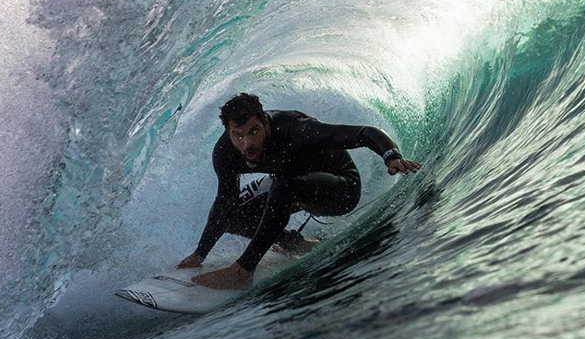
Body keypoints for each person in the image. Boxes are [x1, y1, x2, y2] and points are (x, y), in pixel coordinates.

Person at [178, 93, 421, 290]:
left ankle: (243, 271)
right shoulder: (226, 152)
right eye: (238, 135)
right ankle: (294, 244)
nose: (247, 143)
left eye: (254, 131)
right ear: (228, 132)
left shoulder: (296, 129)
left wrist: (391, 156)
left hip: (341, 189)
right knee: (232, 213)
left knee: (283, 187)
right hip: (292, 189)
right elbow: (225, 200)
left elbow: (364, 132)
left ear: (265, 121)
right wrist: (200, 253)